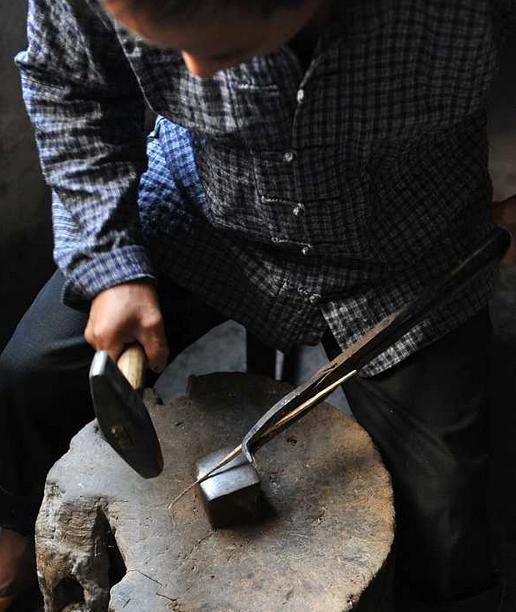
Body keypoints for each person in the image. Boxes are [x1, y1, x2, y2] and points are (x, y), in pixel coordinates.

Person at [1, 0, 516, 609]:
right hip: (202, 203)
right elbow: (69, 87)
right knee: (30, 375)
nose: (194, 73)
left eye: (220, 48)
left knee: (446, 518)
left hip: (408, 245)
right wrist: (110, 266)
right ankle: (10, 535)